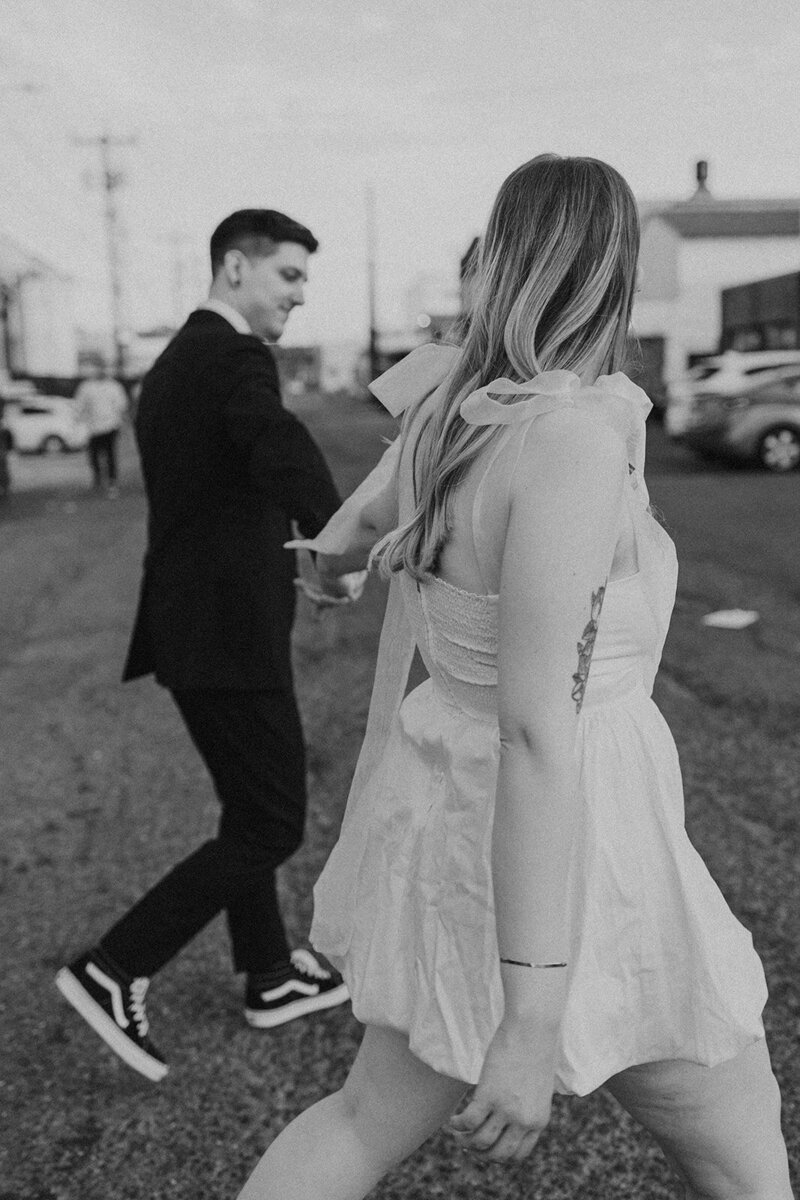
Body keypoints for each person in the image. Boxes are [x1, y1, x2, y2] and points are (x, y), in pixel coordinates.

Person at [236, 158, 793, 1199]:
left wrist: (334, 564)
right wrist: (530, 1019)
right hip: (582, 831)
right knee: (741, 1146)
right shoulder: (566, 440)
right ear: (613, 268)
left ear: (503, 260)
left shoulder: (460, 410)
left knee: (360, 1120)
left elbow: (351, 530)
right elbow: (541, 730)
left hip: (452, 816)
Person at [56, 209, 350, 1083]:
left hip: (193, 628)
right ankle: (114, 969)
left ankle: (268, 975)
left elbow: (228, 480)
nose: (300, 297)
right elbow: (278, 447)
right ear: (235, 268)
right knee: (273, 820)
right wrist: (337, 541)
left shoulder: (175, 363)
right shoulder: (231, 358)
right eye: (289, 276)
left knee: (247, 808)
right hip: (227, 632)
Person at [74, 361, 128, 496]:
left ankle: (111, 480)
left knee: (109, 454)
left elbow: (121, 405)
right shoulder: (87, 387)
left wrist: (119, 420)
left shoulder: (113, 386)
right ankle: (98, 478)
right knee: (94, 455)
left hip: (111, 425)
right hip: (93, 427)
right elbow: (80, 405)